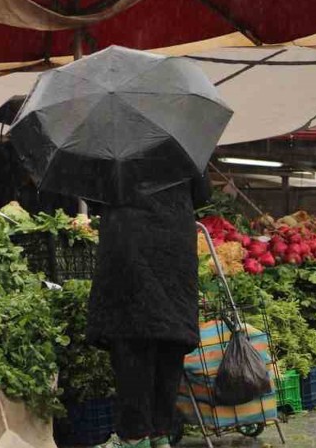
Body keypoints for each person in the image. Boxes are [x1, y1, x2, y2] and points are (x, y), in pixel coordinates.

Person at [88, 176, 209, 448]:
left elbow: (94, 198)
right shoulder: (181, 146)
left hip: (129, 250)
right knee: (169, 343)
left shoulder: (114, 148)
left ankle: (135, 437)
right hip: (174, 254)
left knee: (132, 345)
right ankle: (160, 434)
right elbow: (202, 194)